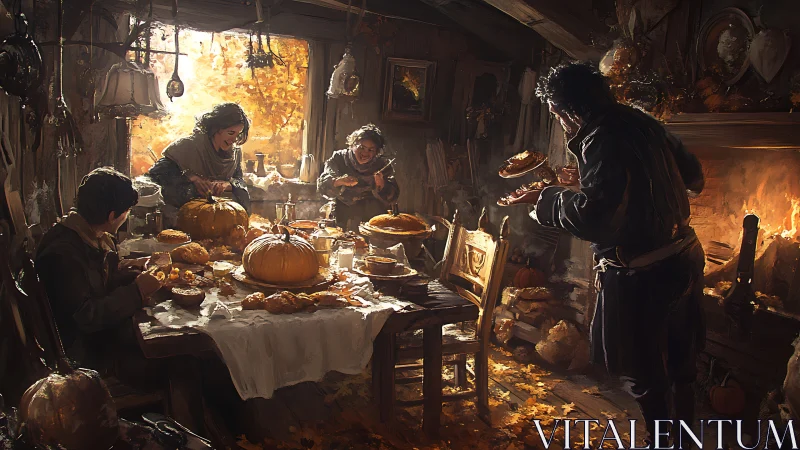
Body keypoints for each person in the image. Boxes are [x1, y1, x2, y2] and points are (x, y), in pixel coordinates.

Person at [509, 62, 706, 443]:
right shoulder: (642, 121)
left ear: (569, 109)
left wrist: (544, 199)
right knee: (682, 366)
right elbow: (693, 177)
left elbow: (598, 221)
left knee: (643, 372)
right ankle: (684, 439)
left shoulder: (599, 136)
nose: (561, 124)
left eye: (557, 115)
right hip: (684, 256)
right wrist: (590, 183)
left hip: (643, 272)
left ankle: (663, 441)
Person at [35, 167, 163, 376]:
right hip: (84, 356)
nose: (126, 216)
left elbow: (97, 281)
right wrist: (137, 291)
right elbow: (86, 316)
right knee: (172, 357)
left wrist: (132, 270)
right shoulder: (63, 253)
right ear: (113, 216)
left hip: (96, 340)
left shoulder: (88, 233)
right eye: (126, 212)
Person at [146, 103, 251, 222]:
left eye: (238, 134)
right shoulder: (188, 145)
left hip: (220, 217)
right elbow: (155, 177)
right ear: (216, 129)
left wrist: (228, 185)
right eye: (231, 133)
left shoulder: (235, 153)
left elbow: (239, 181)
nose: (234, 140)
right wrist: (191, 178)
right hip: (182, 217)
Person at [317, 124, 399, 230]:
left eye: (371, 150)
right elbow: (322, 185)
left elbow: (393, 196)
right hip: (342, 214)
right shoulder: (339, 158)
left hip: (372, 219)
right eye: (362, 147)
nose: (365, 153)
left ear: (377, 152)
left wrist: (382, 185)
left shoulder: (382, 165)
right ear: (352, 145)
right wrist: (339, 181)